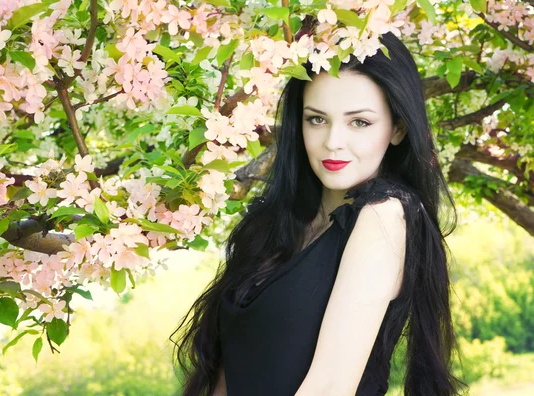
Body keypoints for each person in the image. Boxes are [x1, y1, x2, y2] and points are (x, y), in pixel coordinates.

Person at [170, 31, 469, 396]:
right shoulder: (277, 223)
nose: (333, 141)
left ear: (398, 128)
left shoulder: (384, 216)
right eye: (317, 119)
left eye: (360, 122)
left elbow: (330, 386)